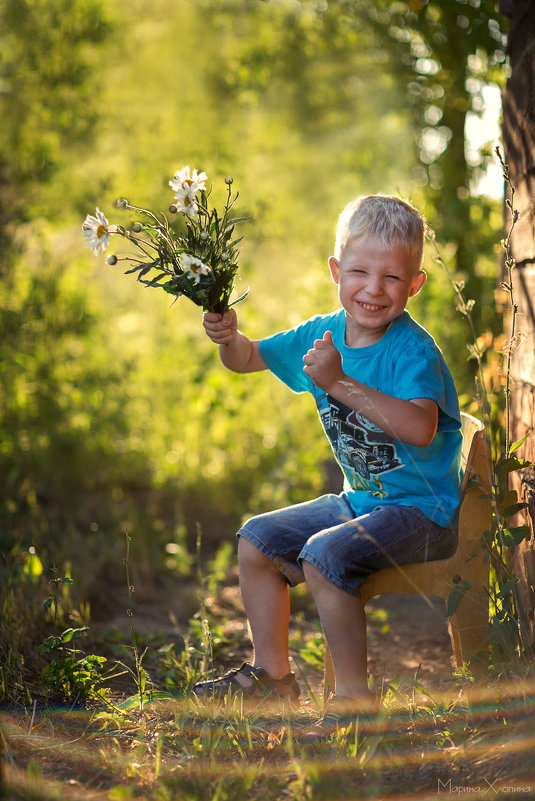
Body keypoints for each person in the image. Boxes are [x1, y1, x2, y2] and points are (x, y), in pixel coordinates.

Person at [197, 194, 461, 720]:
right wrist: (228, 336)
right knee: (256, 541)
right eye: (360, 271)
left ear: (415, 284)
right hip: (363, 502)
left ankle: (354, 700)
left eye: (392, 278)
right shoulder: (323, 334)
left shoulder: (413, 351)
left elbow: (420, 428)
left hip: (423, 514)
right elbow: (247, 358)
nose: (373, 289)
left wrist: (337, 382)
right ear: (336, 270)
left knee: (324, 554)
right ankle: (272, 678)